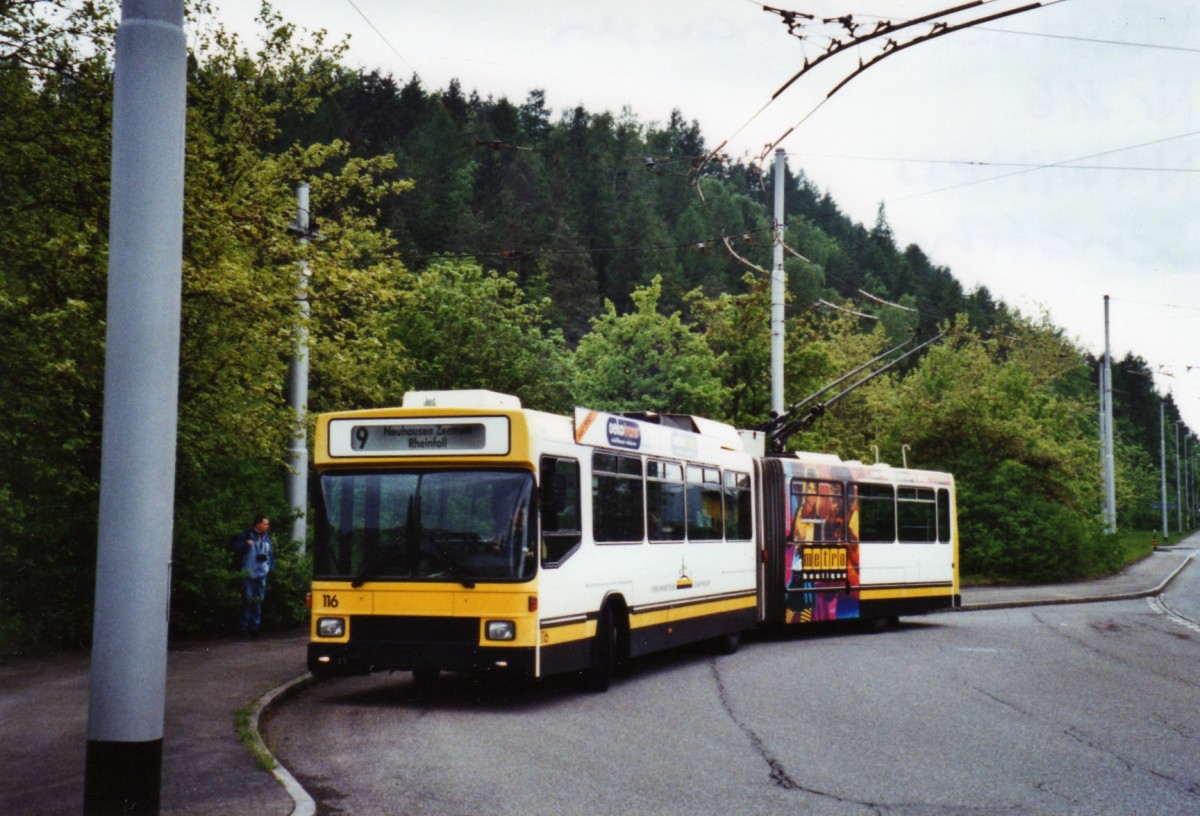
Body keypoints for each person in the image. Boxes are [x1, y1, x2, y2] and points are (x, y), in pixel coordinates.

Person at [234, 515, 274, 635]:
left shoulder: (266, 538)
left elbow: (271, 554)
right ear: (257, 524)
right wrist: (246, 544)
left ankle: (255, 626)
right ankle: (244, 626)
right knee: (247, 599)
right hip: (248, 572)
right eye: (265, 524)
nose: (267, 526)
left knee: (258, 600)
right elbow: (236, 548)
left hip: (262, 573)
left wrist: (270, 567)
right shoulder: (247, 535)